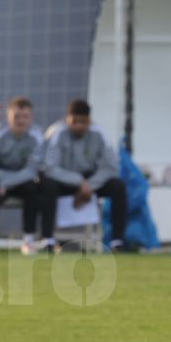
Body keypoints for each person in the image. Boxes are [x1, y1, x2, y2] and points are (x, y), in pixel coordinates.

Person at [38, 99, 129, 252]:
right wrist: (79, 182)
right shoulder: (57, 132)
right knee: (48, 185)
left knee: (118, 186)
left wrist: (89, 186)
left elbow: (112, 167)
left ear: (89, 120)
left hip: (90, 181)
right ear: (67, 119)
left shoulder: (99, 133)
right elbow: (50, 168)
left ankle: (117, 241)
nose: (78, 126)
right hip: (64, 180)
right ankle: (47, 239)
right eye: (74, 121)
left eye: (83, 121)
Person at [0, 96, 43, 254]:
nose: (21, 121)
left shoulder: (37, 135)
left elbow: (32, 170)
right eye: (17, 116)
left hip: (19, 181)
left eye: (25, 117)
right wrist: (1, 182)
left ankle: (28, 241)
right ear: (8, 117)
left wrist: (6, 183)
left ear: (31, 118)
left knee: (33, 188)